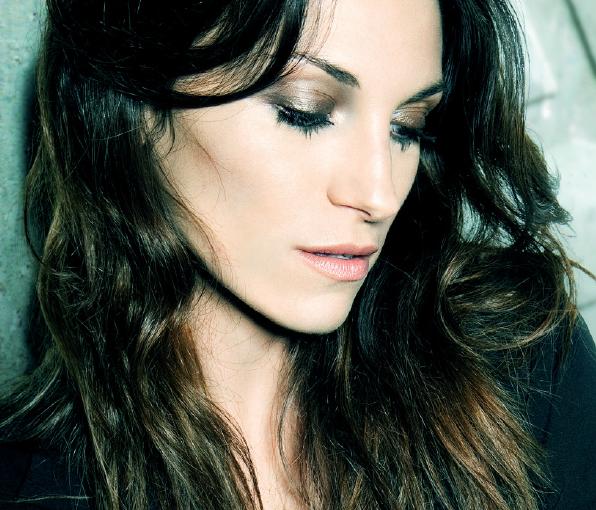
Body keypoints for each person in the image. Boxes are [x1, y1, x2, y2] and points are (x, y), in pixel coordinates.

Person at [1, 0, 595, 508]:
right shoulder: (33, 489)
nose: (379, 194)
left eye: (408, 126)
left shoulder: (522, 365)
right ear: (134, 103)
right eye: (305, 111)